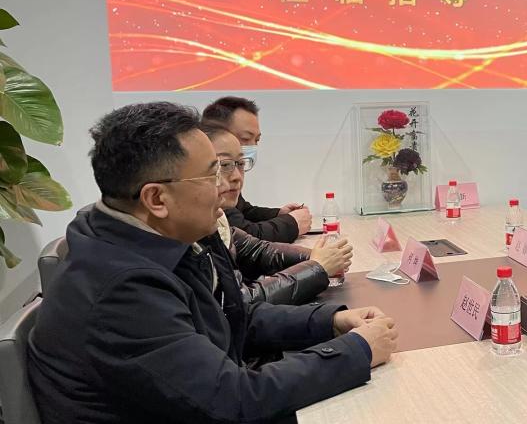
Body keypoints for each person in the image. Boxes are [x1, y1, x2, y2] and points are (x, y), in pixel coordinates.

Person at [28, 102, 398, 423]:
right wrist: (357, 351)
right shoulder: (120, 289)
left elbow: (230, 317)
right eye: (212, 173)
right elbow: (233, 399)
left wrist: (329, 322)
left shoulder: (153, 240)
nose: (225, 186)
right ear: (156, 199)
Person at [202, 123, 351, 305]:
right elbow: (239, 305)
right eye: (223, 166)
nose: (237, 177)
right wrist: (316, 267)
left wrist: (318, 257)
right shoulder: (186, 240)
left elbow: (256, 250)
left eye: (240, 164)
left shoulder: (218, 221)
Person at [202, 96, 313, 242]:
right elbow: (242, 235)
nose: (253, 146)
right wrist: (292, 223)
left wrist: (279, 214)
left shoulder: (231, 178)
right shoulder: (207, 185)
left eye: (257, 140)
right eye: (246, 138)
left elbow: (243, 210)